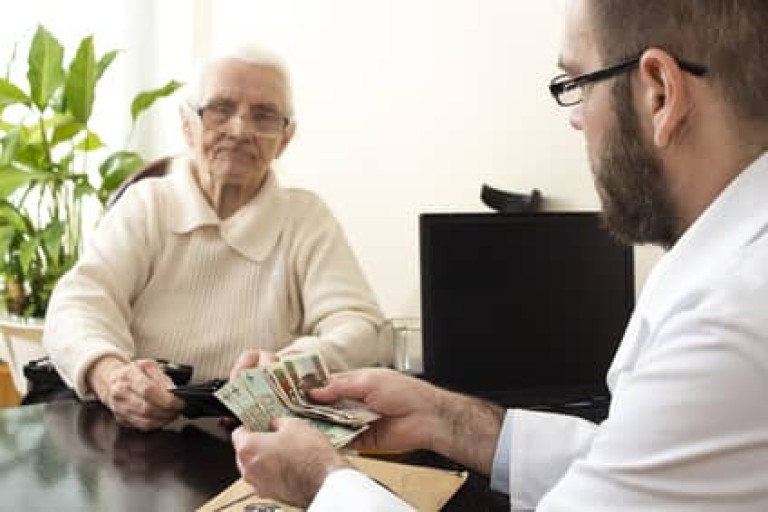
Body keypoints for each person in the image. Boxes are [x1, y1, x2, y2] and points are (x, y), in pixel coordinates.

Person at [230, 0, 768, 510]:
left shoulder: (729, 322)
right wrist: (441, 416)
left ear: (658, 92)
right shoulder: (728, 268)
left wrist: (321, 481)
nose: (577, 119)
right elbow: (636, 466)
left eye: (576, 83)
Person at [42, 44, 391, 431]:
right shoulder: (148, 205)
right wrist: (111, 377)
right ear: (188, 124)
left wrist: (291, 367)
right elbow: (76, 305)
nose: (240, 130)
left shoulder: (305, 219)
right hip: (136, 439)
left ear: (285, 138)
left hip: (253, 445)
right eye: (221, 109)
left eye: (263, 115)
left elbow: (362, 328)